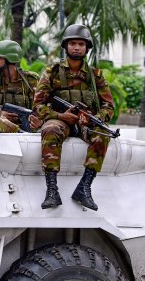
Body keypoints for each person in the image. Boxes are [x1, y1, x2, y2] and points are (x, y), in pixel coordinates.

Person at [34, 24, 115, 211]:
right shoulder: (52, 72)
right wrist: (60, 115)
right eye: (73, 43)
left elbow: (108, 106)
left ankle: (84, 187)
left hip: (85, 122)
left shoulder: (96, 76)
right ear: (66, 46)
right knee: (50, 129)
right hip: (60, 119)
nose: (77, 47)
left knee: (103, 132)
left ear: (87, 48)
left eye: (81, 44)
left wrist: (95, 117)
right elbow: (37, 106)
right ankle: (52, 190)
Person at [0, 39, 42, 132]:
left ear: (9, 58)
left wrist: (37, 119)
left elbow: (40, 104)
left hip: (27, 124)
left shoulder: (30, 80)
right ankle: (19, 132)